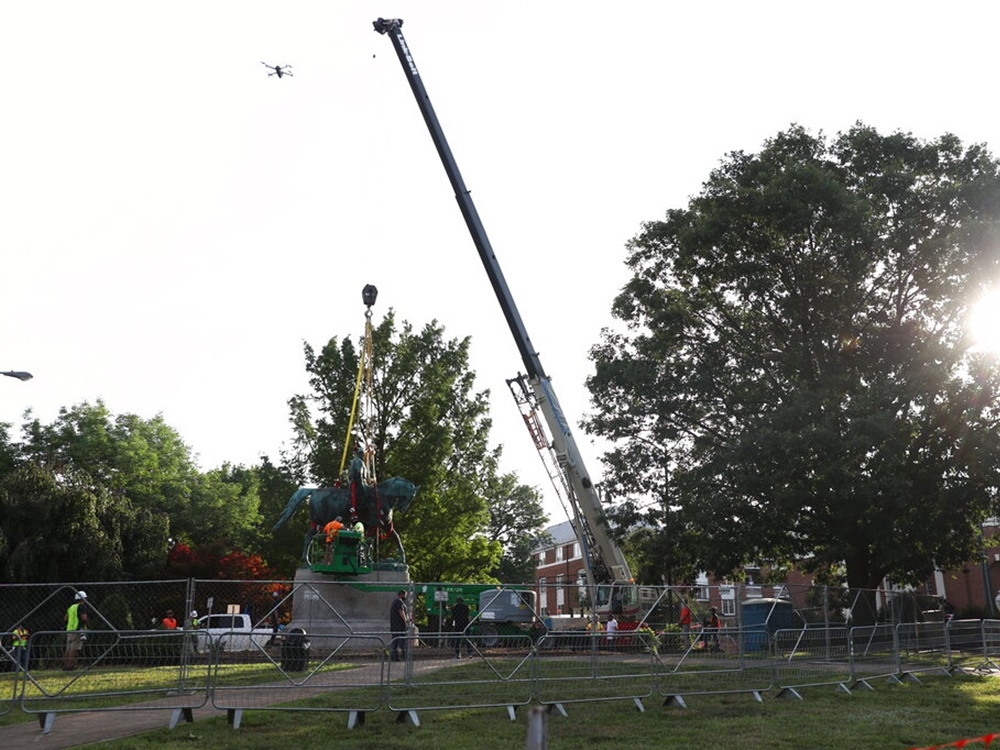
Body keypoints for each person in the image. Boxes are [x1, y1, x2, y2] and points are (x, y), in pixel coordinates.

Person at [63, 591, 90, 670]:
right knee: (73, 649)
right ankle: (70, 666)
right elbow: (84, 618)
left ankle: (65, 665)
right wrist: (88, 623)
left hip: (69, 630)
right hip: (78, 629)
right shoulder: (82, 606)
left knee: (68, 648)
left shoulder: (71, 607)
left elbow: (65, 618)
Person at [389, 589, 409, 662]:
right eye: (405, 595)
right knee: (401, 642)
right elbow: (401, 612)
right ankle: (404, 656)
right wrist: (406, 621)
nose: (405, 597)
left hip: (395, 626)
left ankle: (394, 656)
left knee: (395, 641)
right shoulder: (399, 601)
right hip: (399, 626)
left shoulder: (396, 602)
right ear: (401, 594)